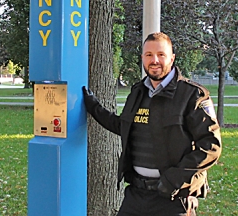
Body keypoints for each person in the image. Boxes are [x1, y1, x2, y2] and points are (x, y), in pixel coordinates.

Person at [83, 32, 222, 216]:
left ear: (172, 58)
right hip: (136, 194)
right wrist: (92, 107)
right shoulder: (138, 92)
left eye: (161, 55)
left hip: (172, 197)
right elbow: (123, 126)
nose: (154, 60)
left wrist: (173, 180)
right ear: (142, 58)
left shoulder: (192, 95)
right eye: (149, 55)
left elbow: (211, 146)